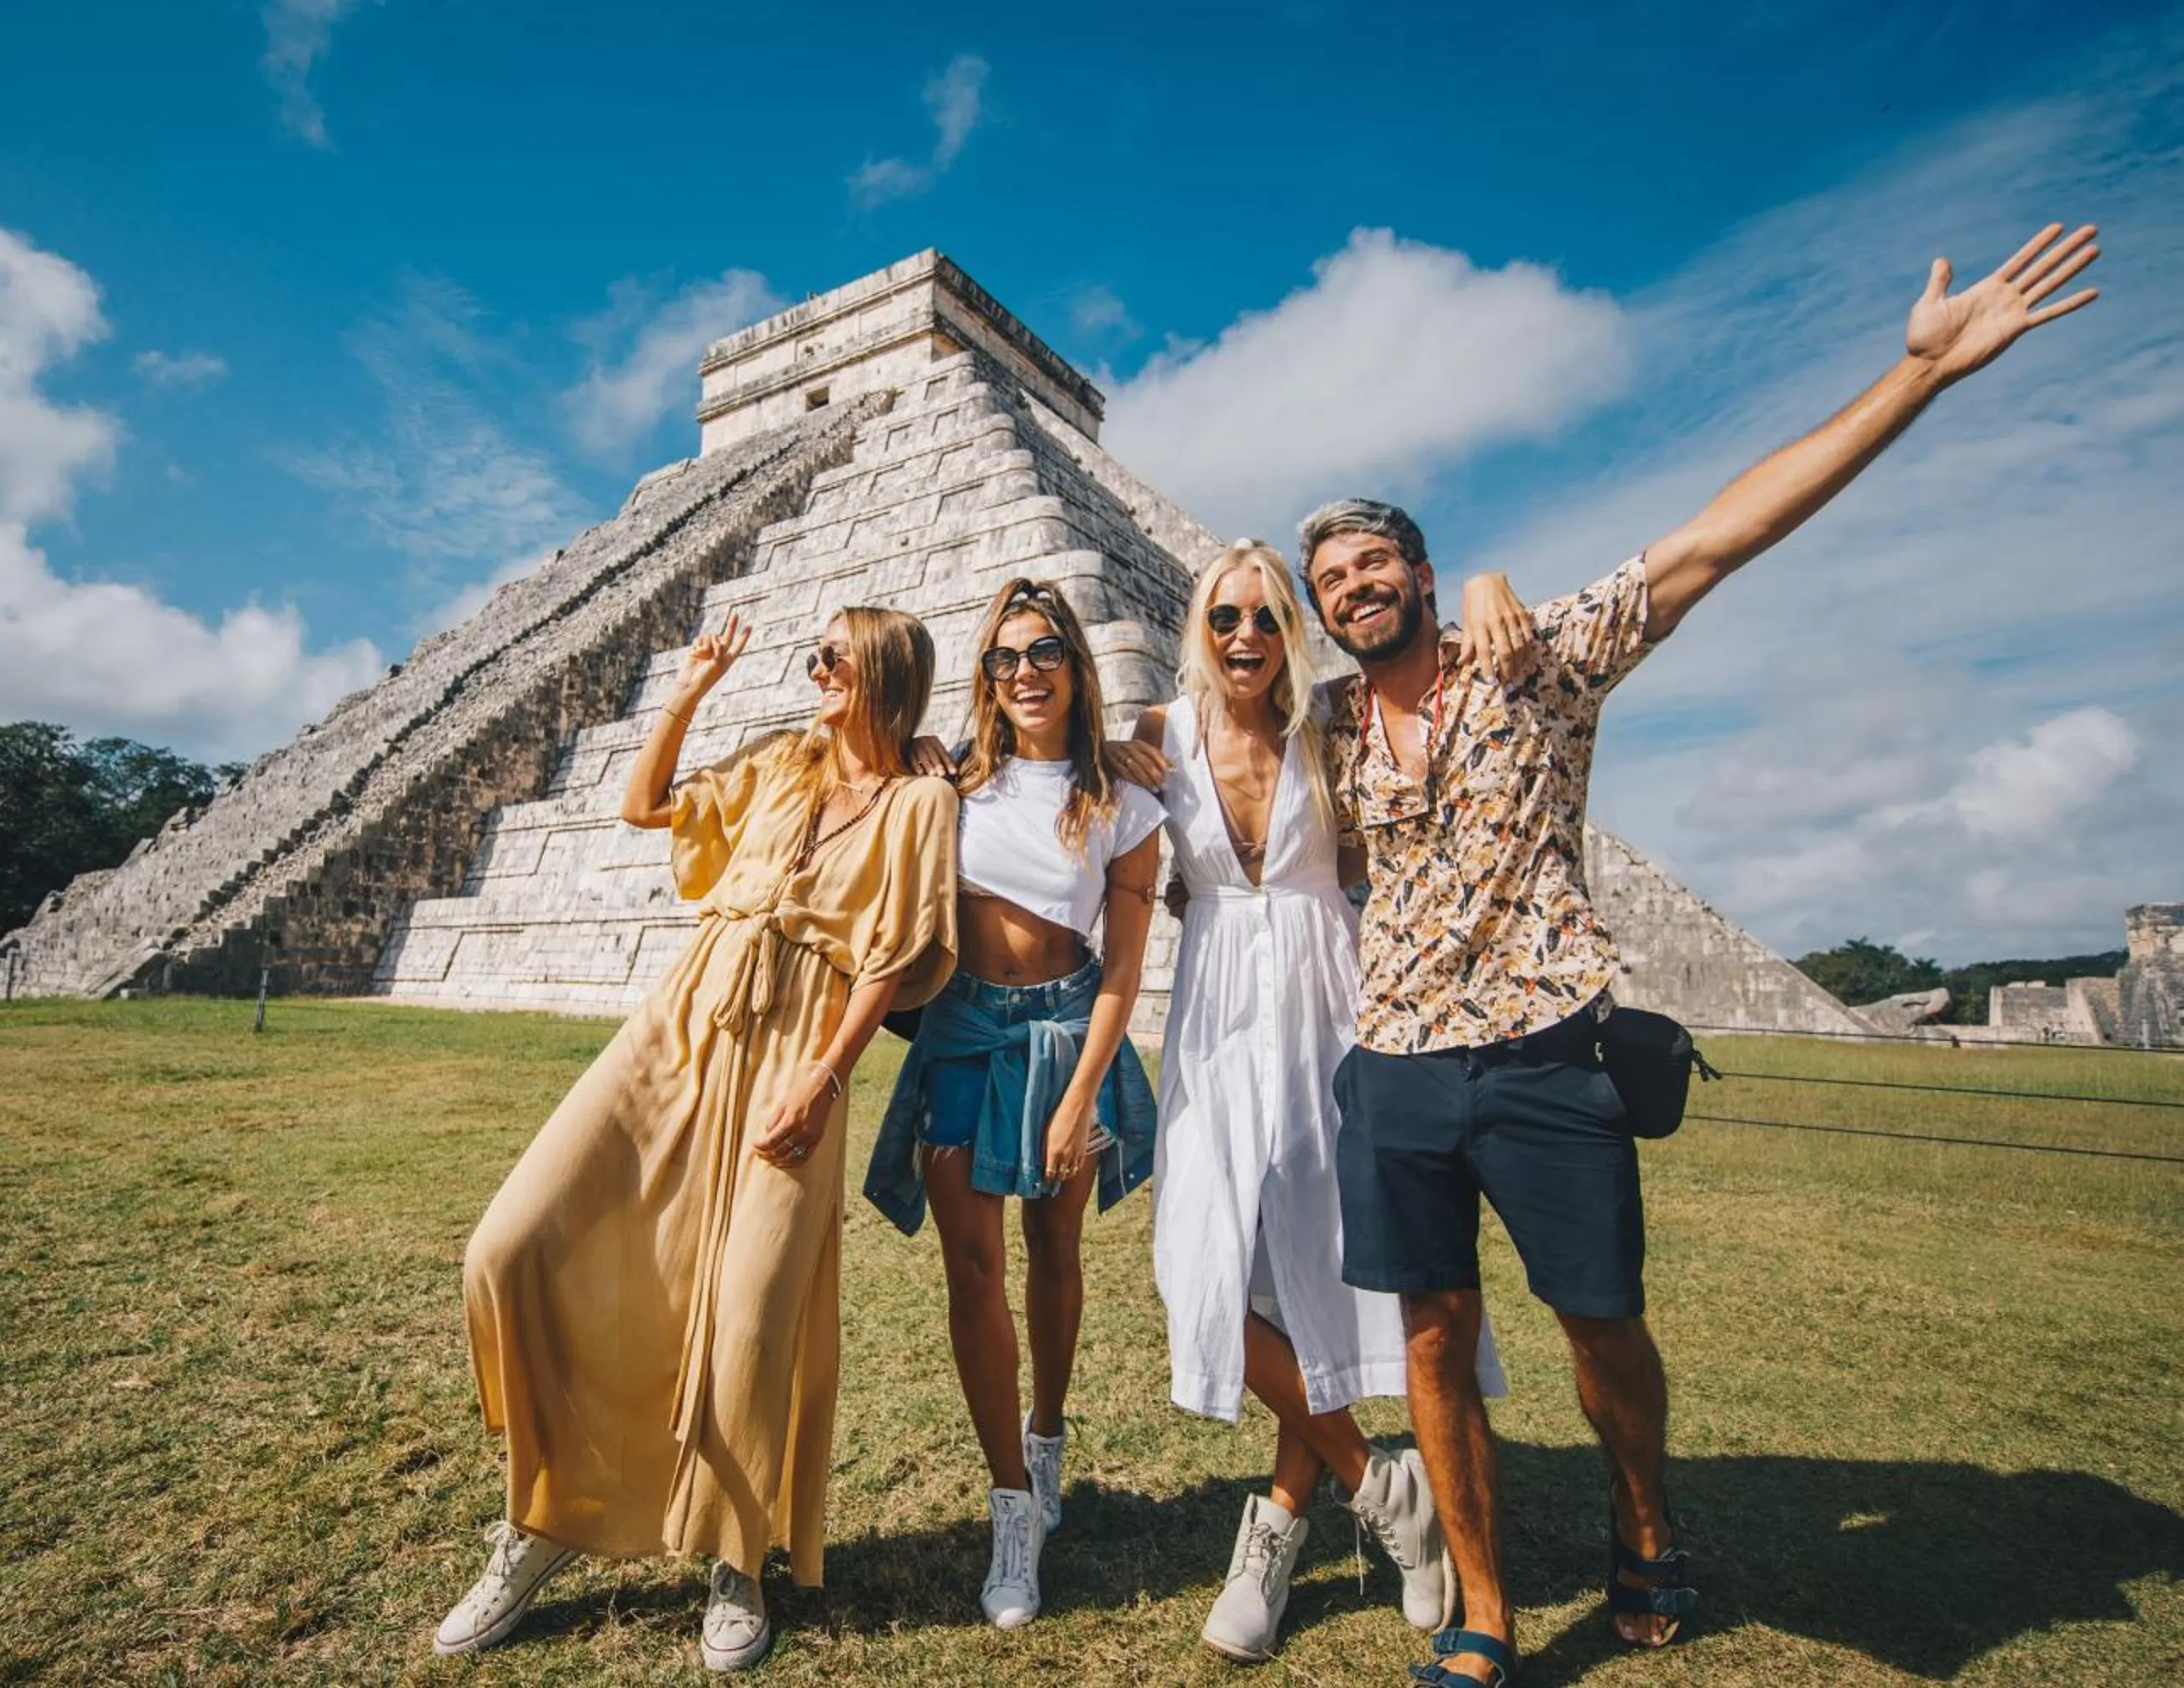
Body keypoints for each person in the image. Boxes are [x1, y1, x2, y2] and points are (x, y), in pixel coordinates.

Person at [1300, 223, 2102, 1688]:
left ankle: (1646, 1517)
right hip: (1397, 1066)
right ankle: (1482, 1610)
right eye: (1329, 580)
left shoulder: (1532, 664)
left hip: (1546, 1048)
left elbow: (1725, 534)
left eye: (1371, 562)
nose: (1352, 586)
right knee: (1428, 1341)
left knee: (1602, 1327)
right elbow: (1160, 746)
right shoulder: (1327, 735)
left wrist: (1913, 377)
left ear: (1418, 569)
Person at [435, 606, 960, 1674]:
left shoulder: (922, 801)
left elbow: (894, 955)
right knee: (511, 1244)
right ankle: (541, 1520)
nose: (815, 670)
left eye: (835, 658)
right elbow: (643, 806)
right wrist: (690, 689)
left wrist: (823, 1076)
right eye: (814, 655)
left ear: (885, 675)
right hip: (681, 1026)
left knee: (751, 1320)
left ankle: (736, 1555)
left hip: (797, 1054)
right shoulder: (779, 759)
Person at [1134, 541, 1529, 1663]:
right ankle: (1382, 1487)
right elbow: (1035, 766)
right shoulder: (1158, 739)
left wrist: (1493, 590)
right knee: (1201, 1262)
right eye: (1226, 620)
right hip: (1214, 1014)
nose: (1246, 639)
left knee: (1312, 1256)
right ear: (1197, 630)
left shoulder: (1333, 721)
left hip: (1330, 995)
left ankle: (1277, 1529)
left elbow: (1441, 676)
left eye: (1265, 618)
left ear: (1289, 630)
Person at [864, 576, 1163, 1630]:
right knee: (972, 1267)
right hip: (962, 1034)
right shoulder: (947, 780)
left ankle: (1047, 1440)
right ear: (985, 676)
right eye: (1004, 657)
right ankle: (1010, 1508)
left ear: (1077, 665)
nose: (1024, 671)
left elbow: (1124, 967)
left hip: (1065, 1030)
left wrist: (1082, 1093)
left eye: (1044, 652)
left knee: (1055, 1249)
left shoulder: (1126, 800)